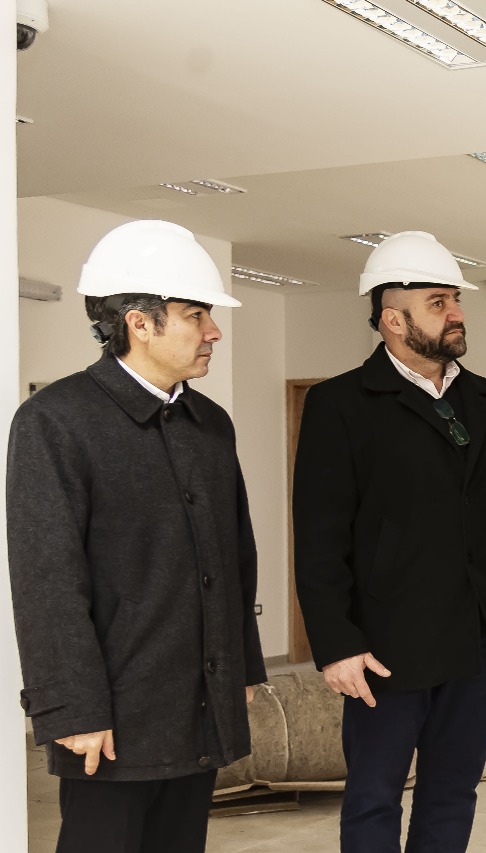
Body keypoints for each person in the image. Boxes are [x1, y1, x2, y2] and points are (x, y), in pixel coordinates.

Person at [7, 219, 266, 853]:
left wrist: (239, 670)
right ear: (139, 323)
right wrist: (72, 709)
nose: (213, 331)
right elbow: (47, 582)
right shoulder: (55, 421)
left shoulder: (210, 423)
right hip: (111, 718)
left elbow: (235, 558)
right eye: (196, 315)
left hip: (197, 703)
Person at [292, 230, 486, 853]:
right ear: (393, 319)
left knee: (453, 789)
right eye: (438, 302)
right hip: (385, 645)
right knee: (374, 795)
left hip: (474, 637)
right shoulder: (339, 404)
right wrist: (337, 644)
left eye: (455, 300)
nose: (456, 314)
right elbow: (319, 535)